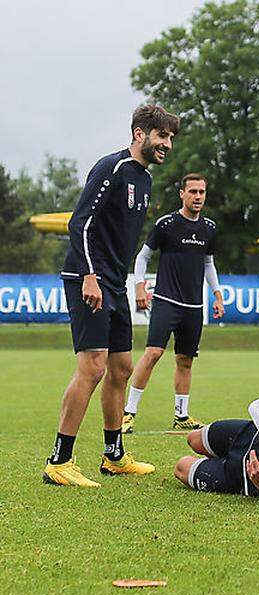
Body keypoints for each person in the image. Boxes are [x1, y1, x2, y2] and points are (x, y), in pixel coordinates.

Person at [44, 104, 180, 488]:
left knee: (121, 368)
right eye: (162, 136)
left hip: (115, 283)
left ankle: (114, 455)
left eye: (170, 138)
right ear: (140, 134)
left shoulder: (146, 180)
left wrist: (121, 281)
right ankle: (59, 460)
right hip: (89, 278)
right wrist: (89, 274)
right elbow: (80, 223)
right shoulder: (113, 168)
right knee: (93, 366)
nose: (167, 144)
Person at [122, 173, 225, 433]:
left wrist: (217, 294)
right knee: (153, 353)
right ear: (182, 194)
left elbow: (208, 263)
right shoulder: (166, 224)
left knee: (185, 360)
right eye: (193, 191)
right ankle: (128, 412)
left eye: (202, 192)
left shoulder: (209, 228)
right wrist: (139, 286)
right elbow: (142, 257)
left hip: (193, 306)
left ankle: (181, 415)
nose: (198, 196)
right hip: (167, 300)